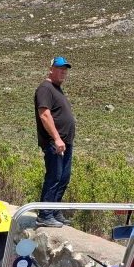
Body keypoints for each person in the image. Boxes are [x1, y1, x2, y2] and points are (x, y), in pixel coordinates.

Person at [34, 56, 76, 228]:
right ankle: (45, 214)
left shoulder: (57, 89)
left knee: (63, 177)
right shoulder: (45, 89)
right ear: (51, 69)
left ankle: (55, 210)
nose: (63, 72)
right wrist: (57, 138)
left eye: (65, 69)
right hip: (54, 142)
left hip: (64, 142)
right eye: (60, 68)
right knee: (54, 176)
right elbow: (44, 114)